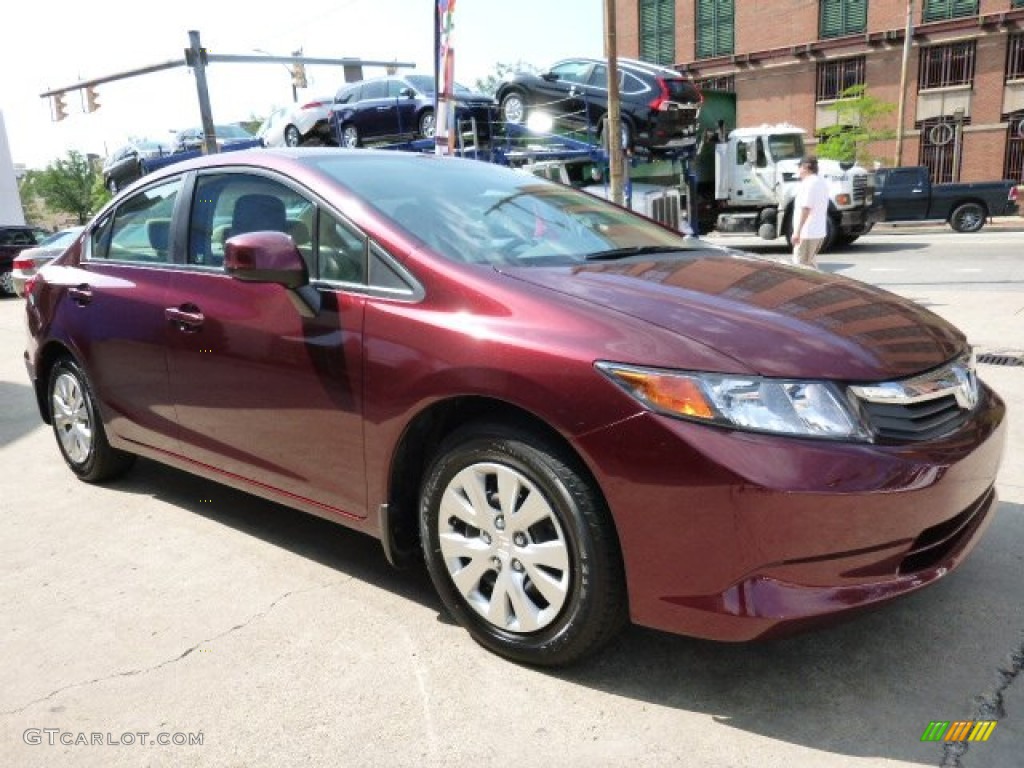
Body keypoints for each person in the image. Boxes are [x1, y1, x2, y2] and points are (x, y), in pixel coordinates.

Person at [791, 155, 830, 269]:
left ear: (806, 167)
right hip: (818, 231)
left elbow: (806, 208)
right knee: (810, 264)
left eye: (799, 167)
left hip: (807, 232)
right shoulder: (821, 181)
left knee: (801, 267)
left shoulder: (809, 184)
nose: (798, 170)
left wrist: (797, 232)